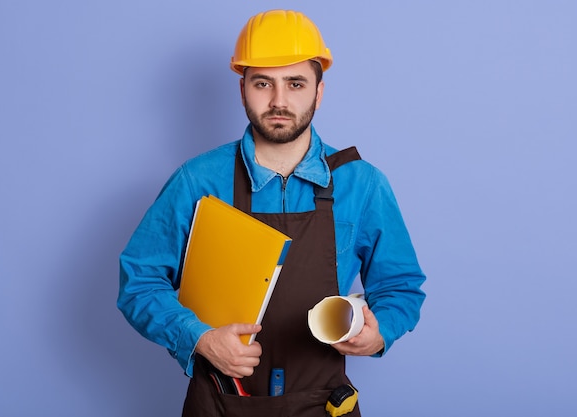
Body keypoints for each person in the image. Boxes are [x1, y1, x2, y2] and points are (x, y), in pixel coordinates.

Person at [118, 9, 426, 416]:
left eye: (295, 83)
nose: (279, 101)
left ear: (318, 91)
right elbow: (139, 282)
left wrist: (379, 333)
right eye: (263, 83)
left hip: (324, 404)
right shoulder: (197, 181)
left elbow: (400, 285)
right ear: (242, 88)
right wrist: (199, 339)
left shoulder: (362, 184)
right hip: (220, 402)